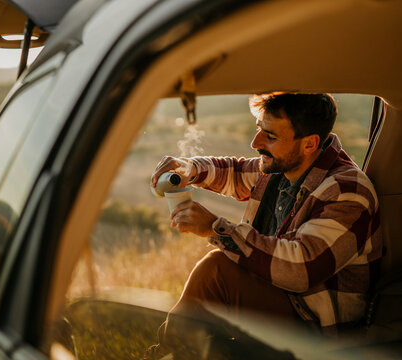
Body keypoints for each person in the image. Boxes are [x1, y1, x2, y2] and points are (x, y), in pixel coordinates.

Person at [146, 93, 382, 358]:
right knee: (209, 341)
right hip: (282, 304)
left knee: (217, 271)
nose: (255, 143)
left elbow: (301, 269)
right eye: (259, 129)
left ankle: (165, 354)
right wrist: (189, 168)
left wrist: (215, 227)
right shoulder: (283, 167)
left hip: (317, 333)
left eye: (270, 136)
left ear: (309, 143)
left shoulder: (347, 192)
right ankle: (172, 352)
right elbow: (233, 172)